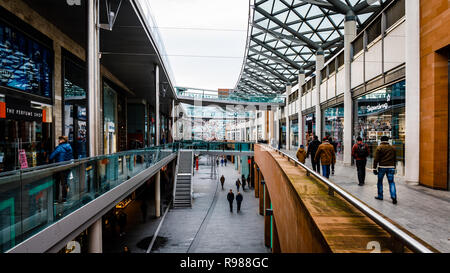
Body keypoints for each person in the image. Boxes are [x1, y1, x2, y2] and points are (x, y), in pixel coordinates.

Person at [373, 136, 398, 204]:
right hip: (391, 167)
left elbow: (376, 159)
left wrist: (374, 168)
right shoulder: (393, 148)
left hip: (382, 167)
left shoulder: (379, 148)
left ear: (381, 140)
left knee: (380, 181)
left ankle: (380, 196)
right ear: (388, 140)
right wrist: (394, 167)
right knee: (391, 182)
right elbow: (395, 159)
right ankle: (393, 196)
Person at [50, 136, 74, 203]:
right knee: (64, 183)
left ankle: (56, 199)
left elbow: (51, 157)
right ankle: (64, 199)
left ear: (62, 140)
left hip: (59, 168)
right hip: (66, 167)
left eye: (60, 139)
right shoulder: (69, 147)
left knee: (56, 183)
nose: (58, 140)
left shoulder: (59, 147)